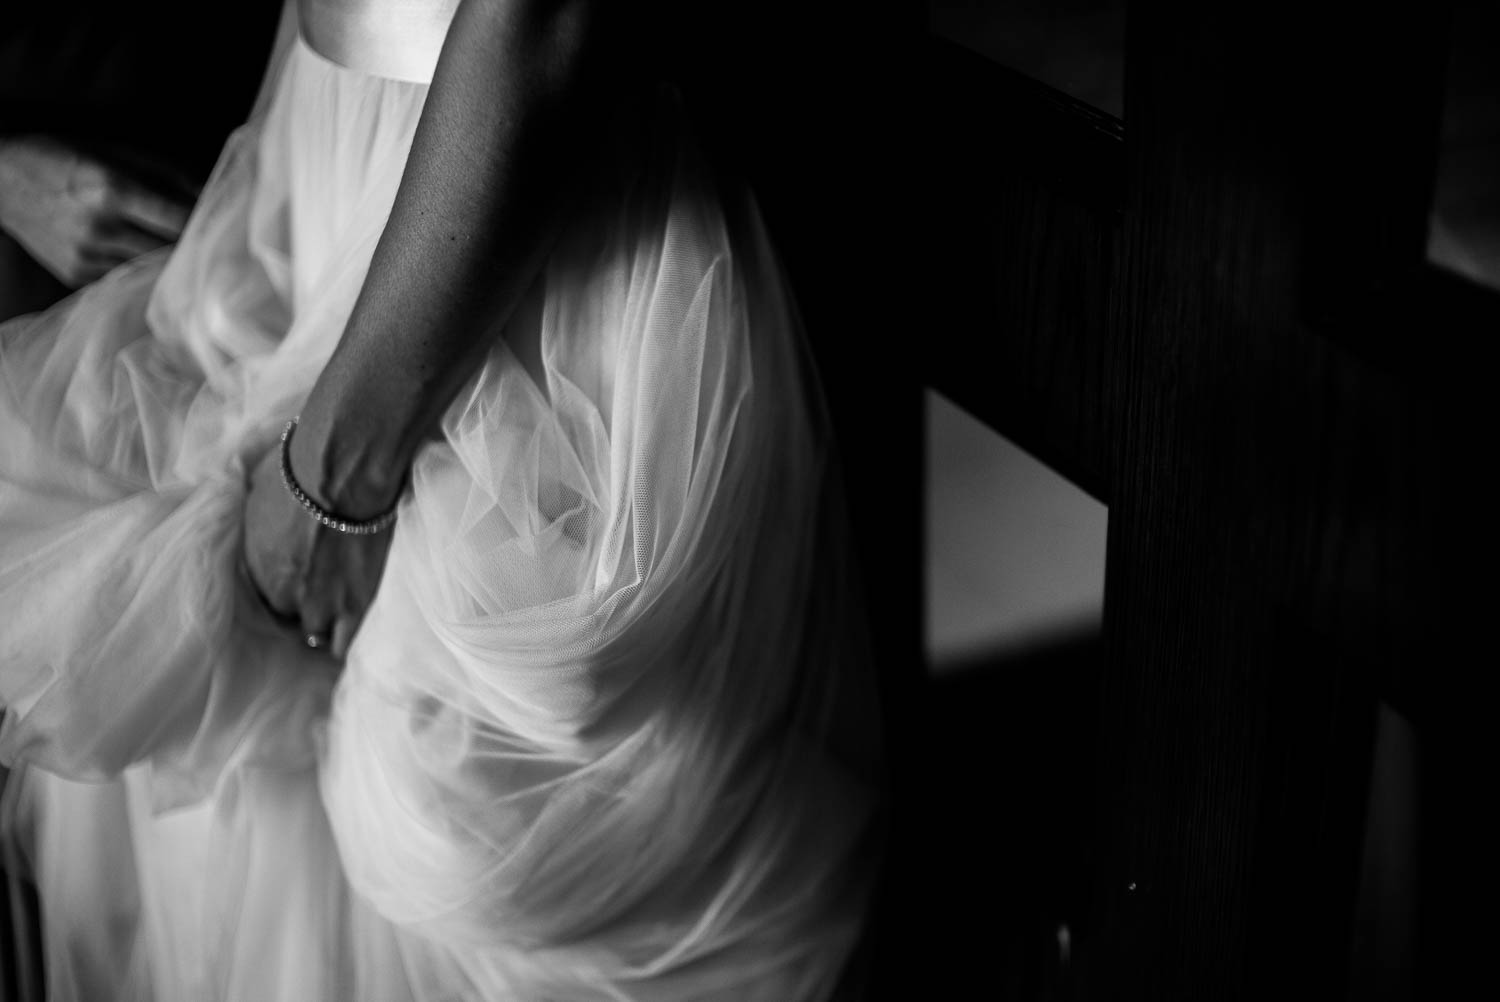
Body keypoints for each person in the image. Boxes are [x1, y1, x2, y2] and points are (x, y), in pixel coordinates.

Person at [0, 0, 884, 999]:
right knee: (284, 815)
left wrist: (337, 472)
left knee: (480, 786)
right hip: (332, 131)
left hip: (508, 179)